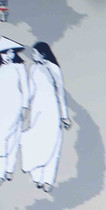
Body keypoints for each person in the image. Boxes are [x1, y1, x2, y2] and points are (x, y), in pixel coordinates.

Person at [20, 41, 70, 192]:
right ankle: (38, 177)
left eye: (35, 53)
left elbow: (60, 92)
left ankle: (48, 180)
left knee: (52, 143)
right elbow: (30, 91)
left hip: (52, 110)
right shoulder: (33, 68)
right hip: (37, 110)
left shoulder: (53, 68)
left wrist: (64, 116)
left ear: (42, 53)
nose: (33, 55)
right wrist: (23, 108)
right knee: (36, 141)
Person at [0, 37, 28, 183]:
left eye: (9, 52)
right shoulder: (1, 68)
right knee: (2, 138)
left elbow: (25, 88)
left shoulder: (20, 67)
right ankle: (2, 171)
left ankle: (9, 169)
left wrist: (25, 107)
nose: (7, 56)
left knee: (13, 139)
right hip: (1, 107)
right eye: (3, 53)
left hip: (15, 106)